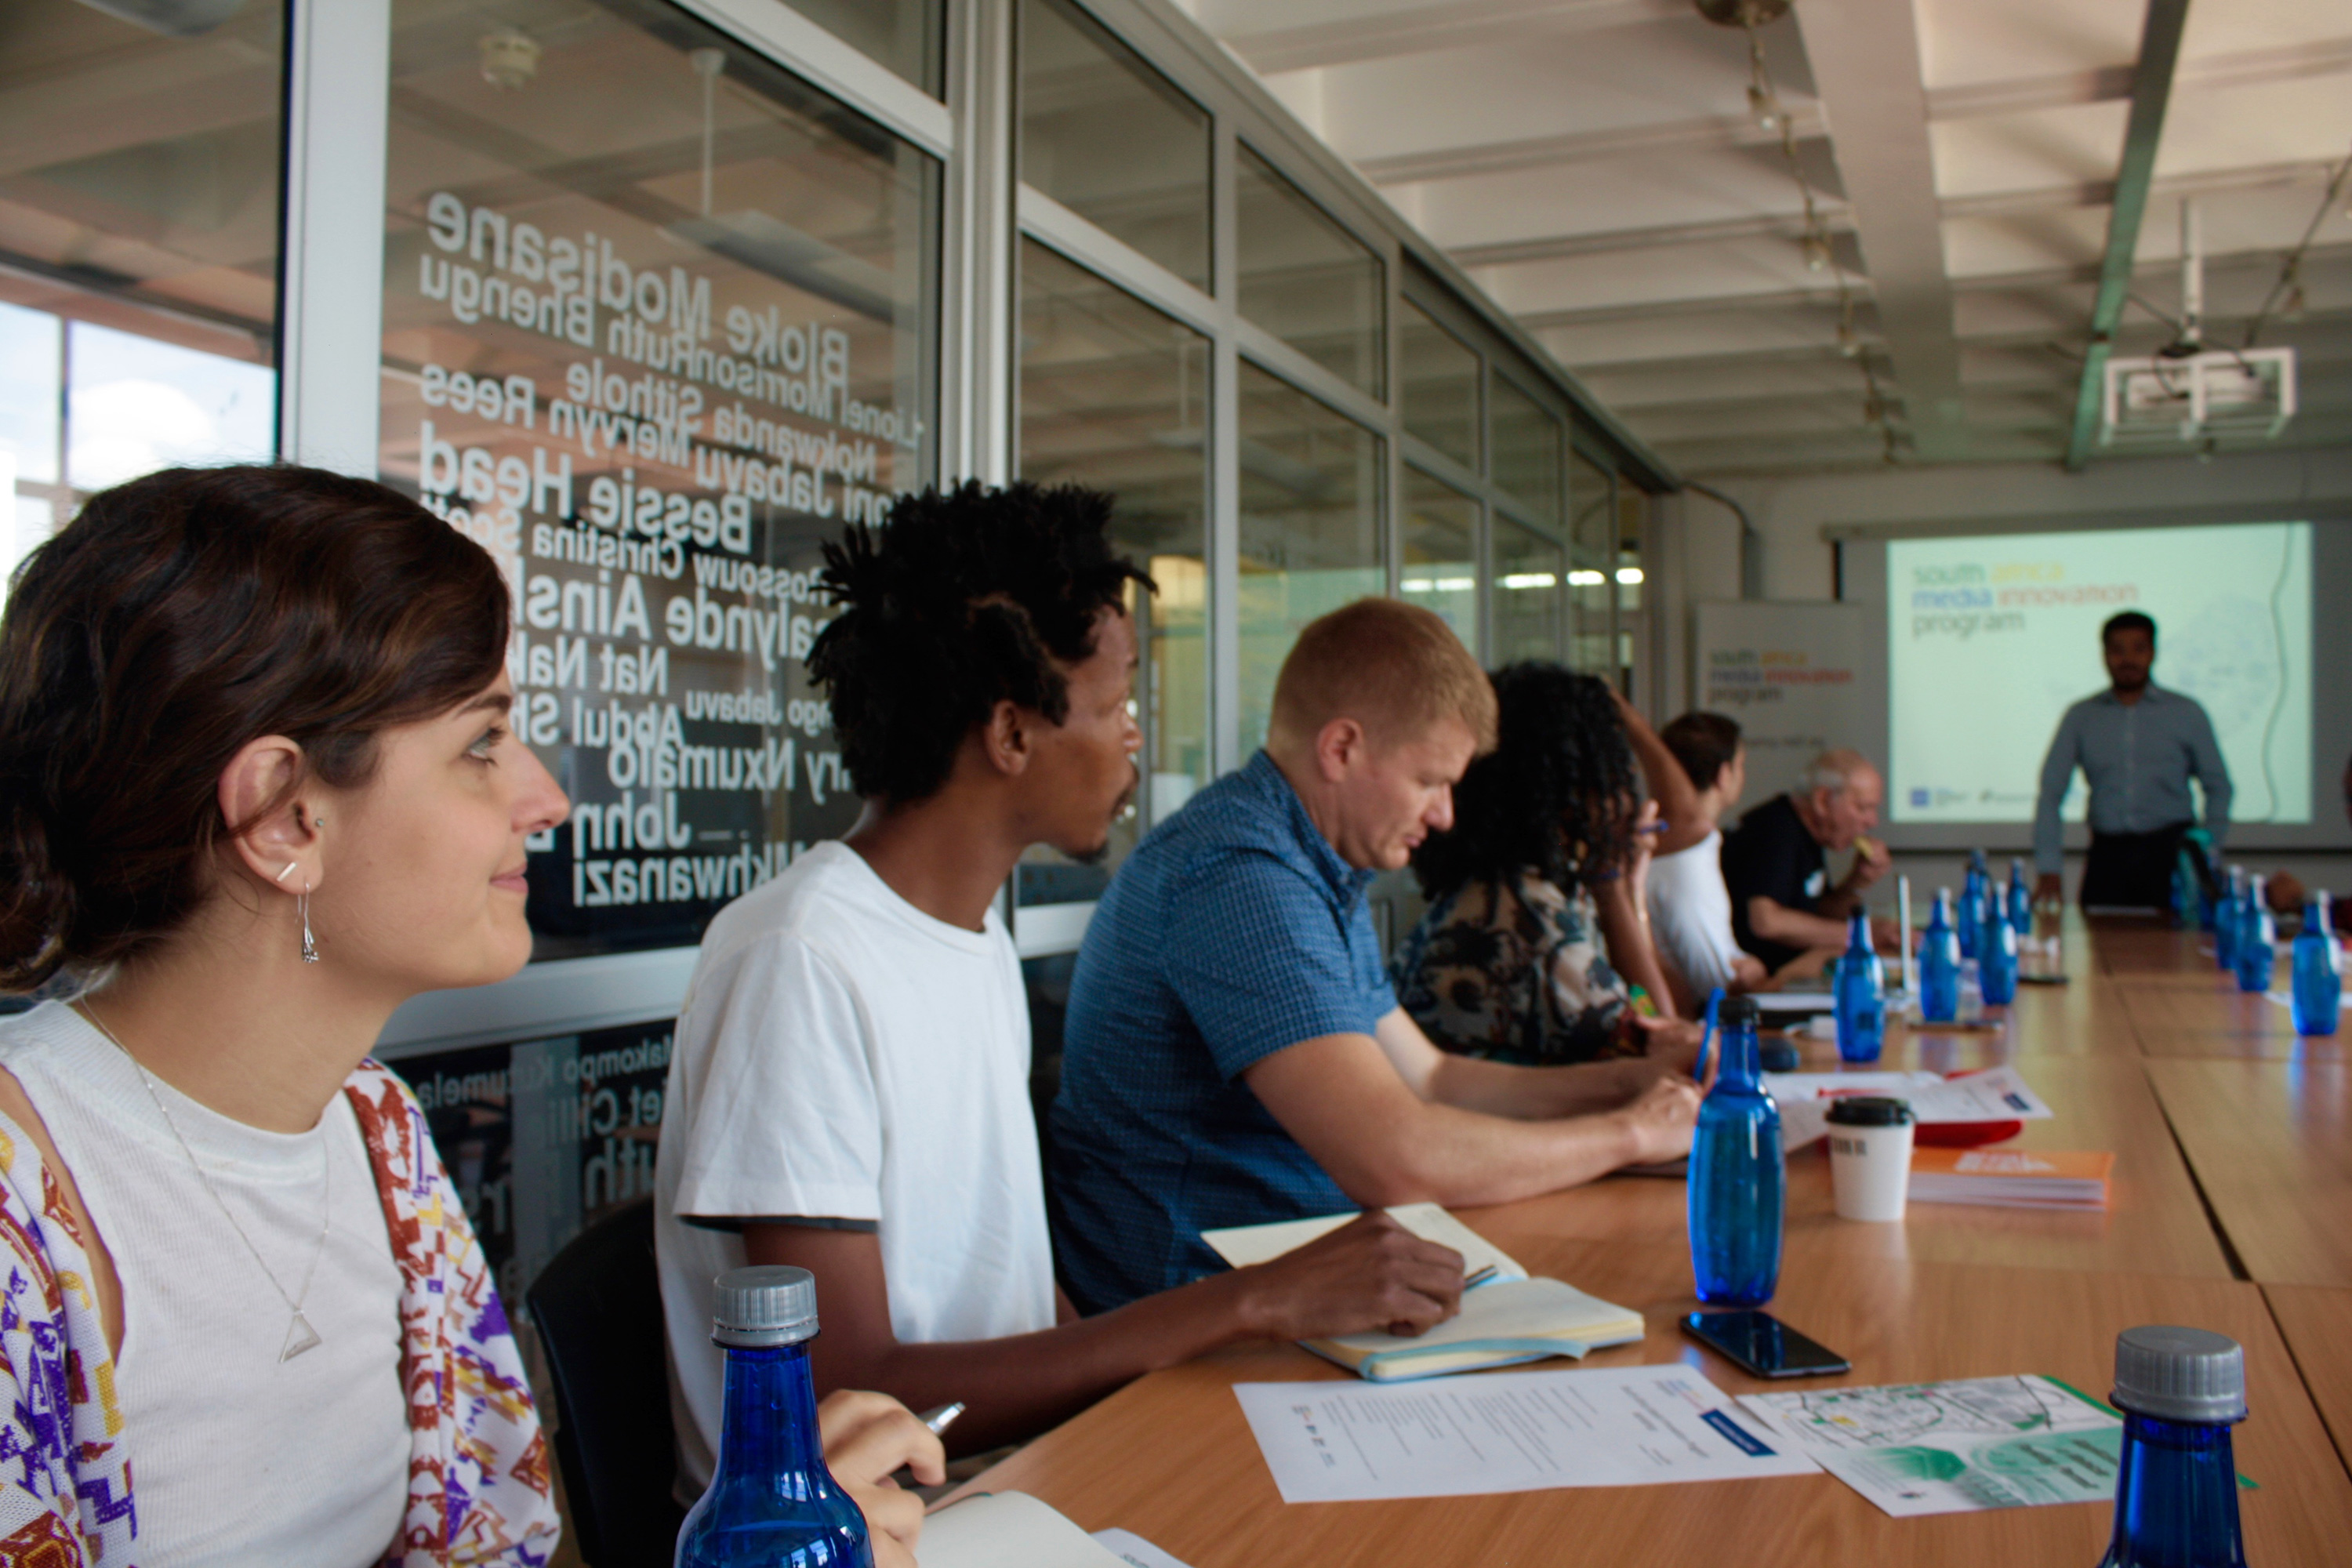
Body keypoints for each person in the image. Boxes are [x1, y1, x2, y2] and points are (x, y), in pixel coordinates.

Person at [0, 466, 940, 1568]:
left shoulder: (377, 1132)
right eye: (482, 744)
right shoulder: (27, 1212)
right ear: (283, 815)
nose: (547, 798)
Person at [653, 484, 1468, 1486]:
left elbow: (1014, 1298)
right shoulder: (802, 956)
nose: (1134, 737)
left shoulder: (974, 938)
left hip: (1009, 1475)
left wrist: (1166, 1371)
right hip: (867, 1528)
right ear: (1011, 733)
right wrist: (1248, 1300)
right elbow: (847, 1389)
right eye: (1118, 703)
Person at [1049, 600, 1703, 1313]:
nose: (1446, 814)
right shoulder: (1240, 875)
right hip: (1190, 1316)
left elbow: (1433, 1078)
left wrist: (1637, 1082)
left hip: (1291, 1281)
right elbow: (1396, 1158)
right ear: (1341, 749)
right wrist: (1631, 1134)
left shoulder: (1316, 864)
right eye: (1430, 781)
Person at [1392, 664, 1702, 1065]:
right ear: (1576, 790)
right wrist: (1615, 887)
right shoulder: (1532, 923)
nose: (1624, 801)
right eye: (1612, 777)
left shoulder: (1500, 888)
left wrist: (1623, 886)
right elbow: (1665, 1046)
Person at [2033, 611, 2231, 911]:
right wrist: (2049, 867)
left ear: (2153, 652)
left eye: (2139, 648)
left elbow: (2218, 785)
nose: (2128, 659)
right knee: (2099, 952)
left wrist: (2208, 846)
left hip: (2171, 856)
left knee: (2178, 952)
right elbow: (2050, 795)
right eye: (2117, 650)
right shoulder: (2081, 716)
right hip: (2107, 857)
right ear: (2104, 655)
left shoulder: (2187, 713)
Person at [1633, 710, 1771, 1002]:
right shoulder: (1688, 856)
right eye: (1741, 765)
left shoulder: (1678, 847)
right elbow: (1719, 986)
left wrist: (1749, 964)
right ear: (1724, 774)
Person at [1721, 747, 1893, 972]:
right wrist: (1862, 936)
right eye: (1862, 808)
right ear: (1822, 801)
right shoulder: (1777, 831)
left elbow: (1814, 913)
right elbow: (1766, 922)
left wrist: (1857, 881)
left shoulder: (1810, 835)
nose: (1872, 821)